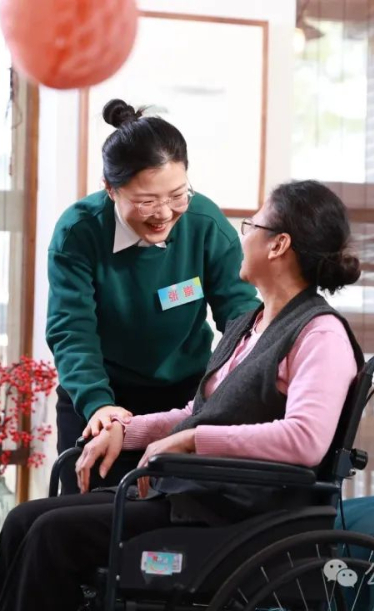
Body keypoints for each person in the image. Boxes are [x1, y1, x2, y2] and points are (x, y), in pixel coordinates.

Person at [0, 179, 365, 611]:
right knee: (22, 520)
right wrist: (123, 430)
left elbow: (305, 440)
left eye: (252, 226)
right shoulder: (250, 326)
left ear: (278, 245)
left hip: (238, 512)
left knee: (52, 534)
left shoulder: (320, 335)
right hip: (194, 496)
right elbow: (198, 410)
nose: (243, 236)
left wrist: (191, 441)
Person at [47, 98, 261, 493]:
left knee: (173, 515)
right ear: (110, 189)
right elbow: (72, 330)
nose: (164, 213)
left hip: (183, 396)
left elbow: (241, 316)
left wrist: (238, 388)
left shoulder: (204, 224)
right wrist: (98, 404)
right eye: (146, 201)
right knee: (87, 512)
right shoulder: (79, 232)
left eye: (177, 195)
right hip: (101, 392)